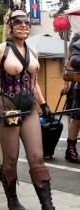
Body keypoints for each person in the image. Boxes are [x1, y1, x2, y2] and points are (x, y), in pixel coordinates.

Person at [0, 1, 55, 209]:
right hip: (7, 107)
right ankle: (13, 202)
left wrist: (44, 105)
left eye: (26, 21)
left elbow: (33, 83)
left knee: (37, 157)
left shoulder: (33, 52)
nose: (24, 25)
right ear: (9, 26)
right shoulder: (0, 50)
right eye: (18, 21)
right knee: (12, 158)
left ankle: (47, 206)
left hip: (29, 107)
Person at [61, 31, 80, 163]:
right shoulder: (78, 42)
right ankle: (71, 149)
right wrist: (65, 83)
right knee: (77, 118)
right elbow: (73, 60)